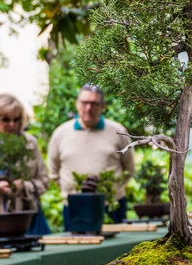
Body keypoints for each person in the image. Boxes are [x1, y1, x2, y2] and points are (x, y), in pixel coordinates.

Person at [48, 84, 135, 226]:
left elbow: (129, 169)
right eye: (84, 102)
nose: (88, 108)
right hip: (74, 206)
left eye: (94, 103)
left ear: (102, 106)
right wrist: (71, 190)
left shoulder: (118, 132)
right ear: (77, 104)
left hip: (112, 205)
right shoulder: (60, 134)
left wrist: (114, 189)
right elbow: (53, 172)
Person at [0, 94, 50, 234]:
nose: (12, 124)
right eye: (6, 119)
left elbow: (44, 181)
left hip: (26, 218)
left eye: (16, 119)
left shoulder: (30, 143)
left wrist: (25, 186)